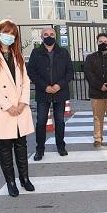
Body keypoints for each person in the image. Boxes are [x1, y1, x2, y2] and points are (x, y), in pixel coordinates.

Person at [0, 19, 35, 197]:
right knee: (5, 147)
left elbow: (25, 81)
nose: (9, 37)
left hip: (20, 108)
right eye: (6, 33)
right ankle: (10, 182)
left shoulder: (16, 54)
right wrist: (7, 106)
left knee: (22, 145)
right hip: (2, 109)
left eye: (12, 34)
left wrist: (22, 102)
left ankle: (24, 178)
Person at [28, 26, 73, 160]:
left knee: (60, 121)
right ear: (42, 37)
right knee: (41, 122)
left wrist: (59, 85)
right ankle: (40, 149)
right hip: (43, 93)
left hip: (60, 92)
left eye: (51, 34)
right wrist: (44, 86)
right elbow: (31, 72)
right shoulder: (36, 52)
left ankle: (61, 146)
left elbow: (70, 72)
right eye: (46, 34)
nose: (49, 36)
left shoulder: (63, 52)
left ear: (56, 36)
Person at [84, 32, 107, 149]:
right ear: (97, 43)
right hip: (96, 93)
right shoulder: (90, 58)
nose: (103, 43)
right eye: (100, 42)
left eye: (105, 42)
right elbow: (89, 74)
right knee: (97, 118)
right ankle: (98, 139)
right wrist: (100, 85)